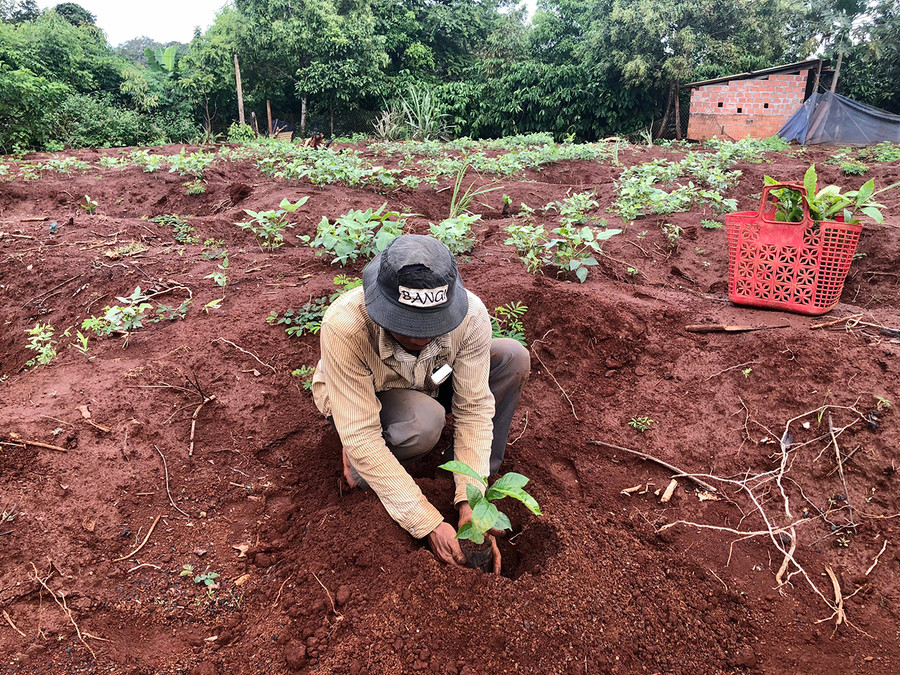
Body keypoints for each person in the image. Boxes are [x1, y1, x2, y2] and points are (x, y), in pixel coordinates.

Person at [311, 234, 530, 568]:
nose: (418, 335)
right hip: (368, 395)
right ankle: (367, 467)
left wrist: (471, 499)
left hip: (431, 378)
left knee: (511, 357)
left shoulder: (471, 317)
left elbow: (473, 409)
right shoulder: (345, 326)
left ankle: (458, 476)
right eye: (406, 324)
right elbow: (363, 434)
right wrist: (427, 523)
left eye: (430, 325)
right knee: (423, 421)